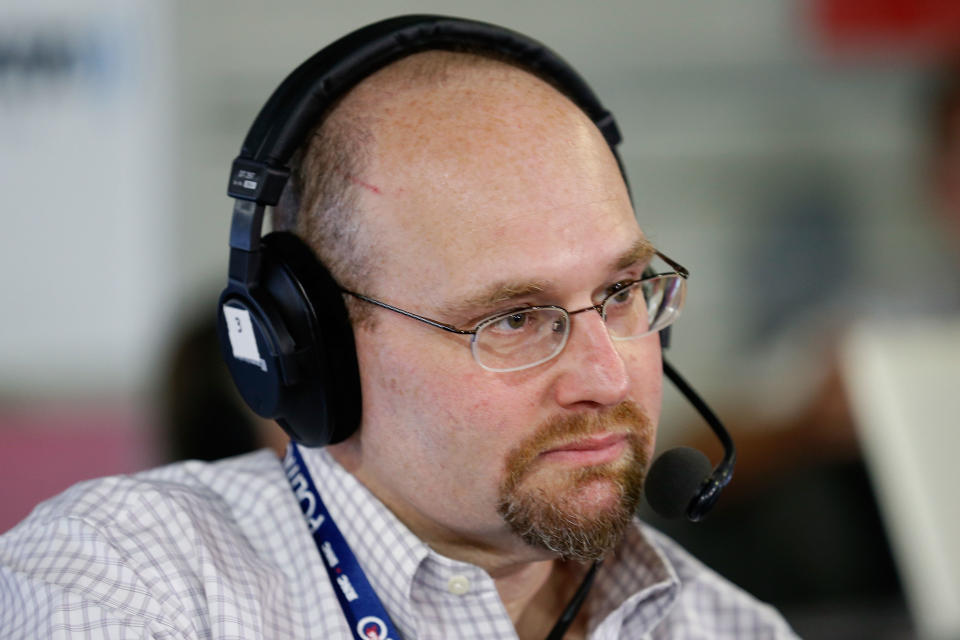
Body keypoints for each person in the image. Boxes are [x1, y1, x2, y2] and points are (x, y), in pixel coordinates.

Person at [0, 16, 796, 639]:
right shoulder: (125, 580)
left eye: (621, 291)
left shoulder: (728, 628)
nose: (608, 376)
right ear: (312, 349)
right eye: (516, 319)